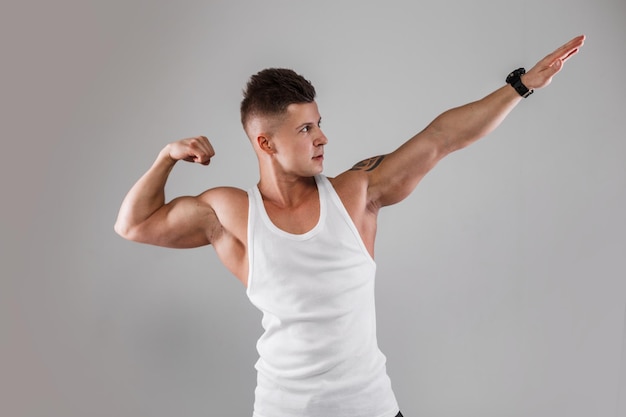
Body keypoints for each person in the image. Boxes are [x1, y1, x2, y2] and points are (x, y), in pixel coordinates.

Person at [114, 35, 585, 417]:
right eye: (305, 130)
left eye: (319, 124)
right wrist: (165, 159)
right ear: (265, 142)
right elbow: (134, 225)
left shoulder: (357, 193)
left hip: (369, 408)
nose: (322, 138)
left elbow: (441, 138)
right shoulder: (231, 214)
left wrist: (520, 86)